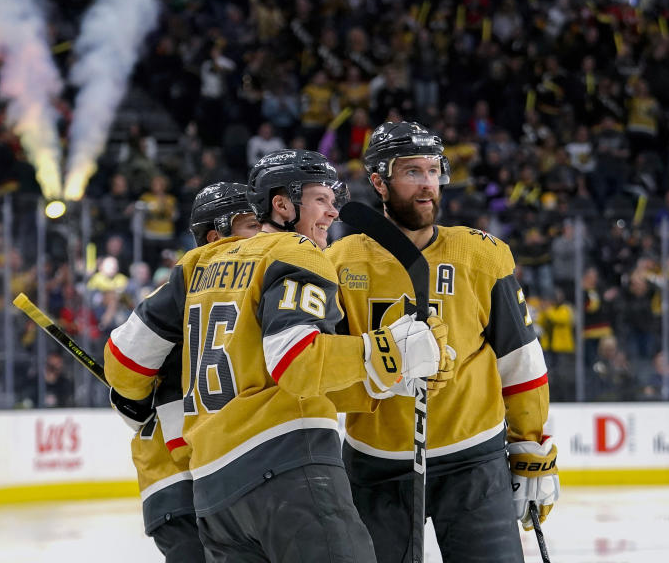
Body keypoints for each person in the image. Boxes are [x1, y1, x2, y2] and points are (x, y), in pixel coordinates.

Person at [105, 150, 447, 563]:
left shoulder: (199, 263)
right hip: (289, 468)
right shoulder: (297, 251)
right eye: (321, 199)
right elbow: (296, 363)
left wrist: (136, 402)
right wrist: (388, 351)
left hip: (215, 495)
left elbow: (124, 360)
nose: (333, 211)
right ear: (282, 204)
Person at [325, 122, 555, 563]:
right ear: (379, 182)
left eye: (434, 171)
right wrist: (380, 369)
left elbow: (521, 361)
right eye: (412, 172)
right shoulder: (339, 263)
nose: (428, 184)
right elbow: (325, 370)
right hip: (375, 466)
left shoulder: (481, 256)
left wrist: (532, 447)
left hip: (474, 460)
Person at [108, 182, 260, 562]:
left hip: (219, 475)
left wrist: (132, 401)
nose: (265, 235)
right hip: (178, 480)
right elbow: (126, 366)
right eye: (253, 226)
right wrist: (133, 399)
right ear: (215, 236)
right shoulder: (191, 285)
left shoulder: (251, 288)